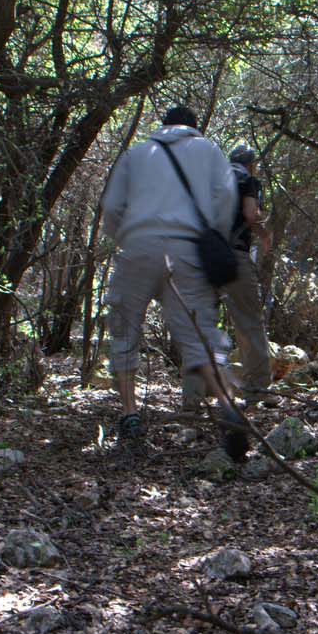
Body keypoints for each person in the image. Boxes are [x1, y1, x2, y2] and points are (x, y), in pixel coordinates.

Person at [101, 106, 249, 460]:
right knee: (200, 334)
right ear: (193, 128)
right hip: (188, 251)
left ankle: (129, 414)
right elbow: (226, 199)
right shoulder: (210, 150)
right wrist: (213, 237)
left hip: (138, 246)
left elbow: (111, 206)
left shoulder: (137, 153)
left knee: (124, 329)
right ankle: (229, 406)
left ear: (163, 127)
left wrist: (124, 237)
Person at [182, 144, 274, 409]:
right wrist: (264, 235)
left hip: (202, 256)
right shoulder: (247, 179)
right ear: (251, 164)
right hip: (233, 255)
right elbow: (250, 214)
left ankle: (192, 396)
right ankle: (257, 390)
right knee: (248, 321)